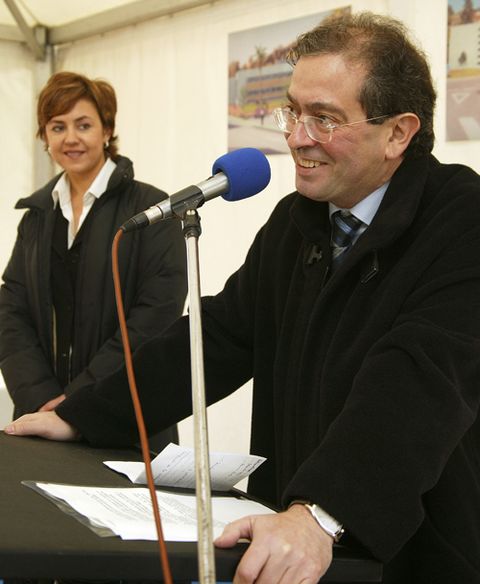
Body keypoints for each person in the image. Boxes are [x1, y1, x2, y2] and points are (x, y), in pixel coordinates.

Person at [5, 12, 480, 584]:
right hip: (291, 537)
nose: (297, 137)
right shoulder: (296, 222)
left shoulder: (461, 220)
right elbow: (219, 336)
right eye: (293, 111)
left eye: (324, 118)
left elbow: (419, 379)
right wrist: (84, 414)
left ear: (399, 132)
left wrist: (323, 514)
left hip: (411, 549)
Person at [0, 71, 187, 451]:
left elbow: (155, 317)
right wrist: (42, 397)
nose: (70, 138)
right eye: (57, 127)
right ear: (44, 138)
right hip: (43, 419)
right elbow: (10, 309)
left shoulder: (153, 210)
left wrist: (79, 400)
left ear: (107, 130)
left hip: (125, 418)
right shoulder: (36, 216)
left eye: (83, 125)